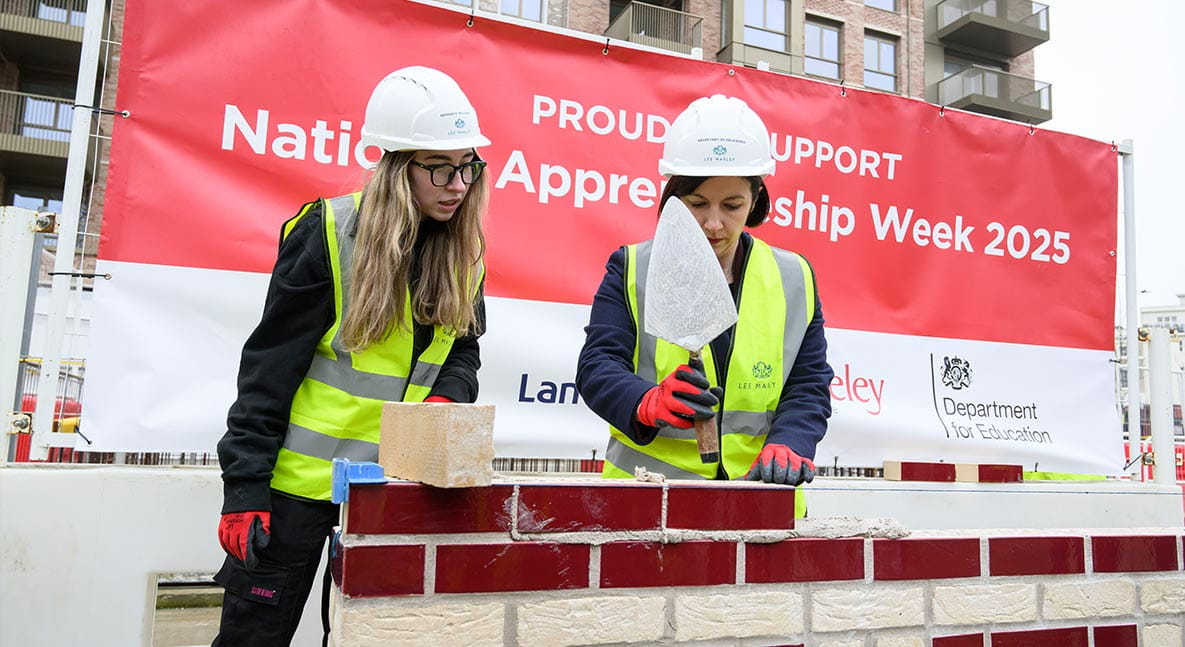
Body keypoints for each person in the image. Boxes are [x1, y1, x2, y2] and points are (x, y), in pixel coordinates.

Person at [212, 66, 490, 646]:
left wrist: (447, 398)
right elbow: (266, 372)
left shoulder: (467, 252)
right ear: (394, 166)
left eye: (468, 165)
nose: (459, 183)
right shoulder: (328, 234)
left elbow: (464, 351)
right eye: (440, 167)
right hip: (295, 494)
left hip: (390, 493)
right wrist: (244, 490)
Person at [576, 95, 833, 513]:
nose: (714, 223)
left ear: (756, 202)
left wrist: (791, 442)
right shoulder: (633, 267)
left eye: (732, 206)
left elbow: (808, 385)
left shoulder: (793, 277)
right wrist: (645, 402)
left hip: (761, 501)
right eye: (697, 204)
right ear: (673, 200)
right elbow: (597, 367)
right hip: (648, 505)